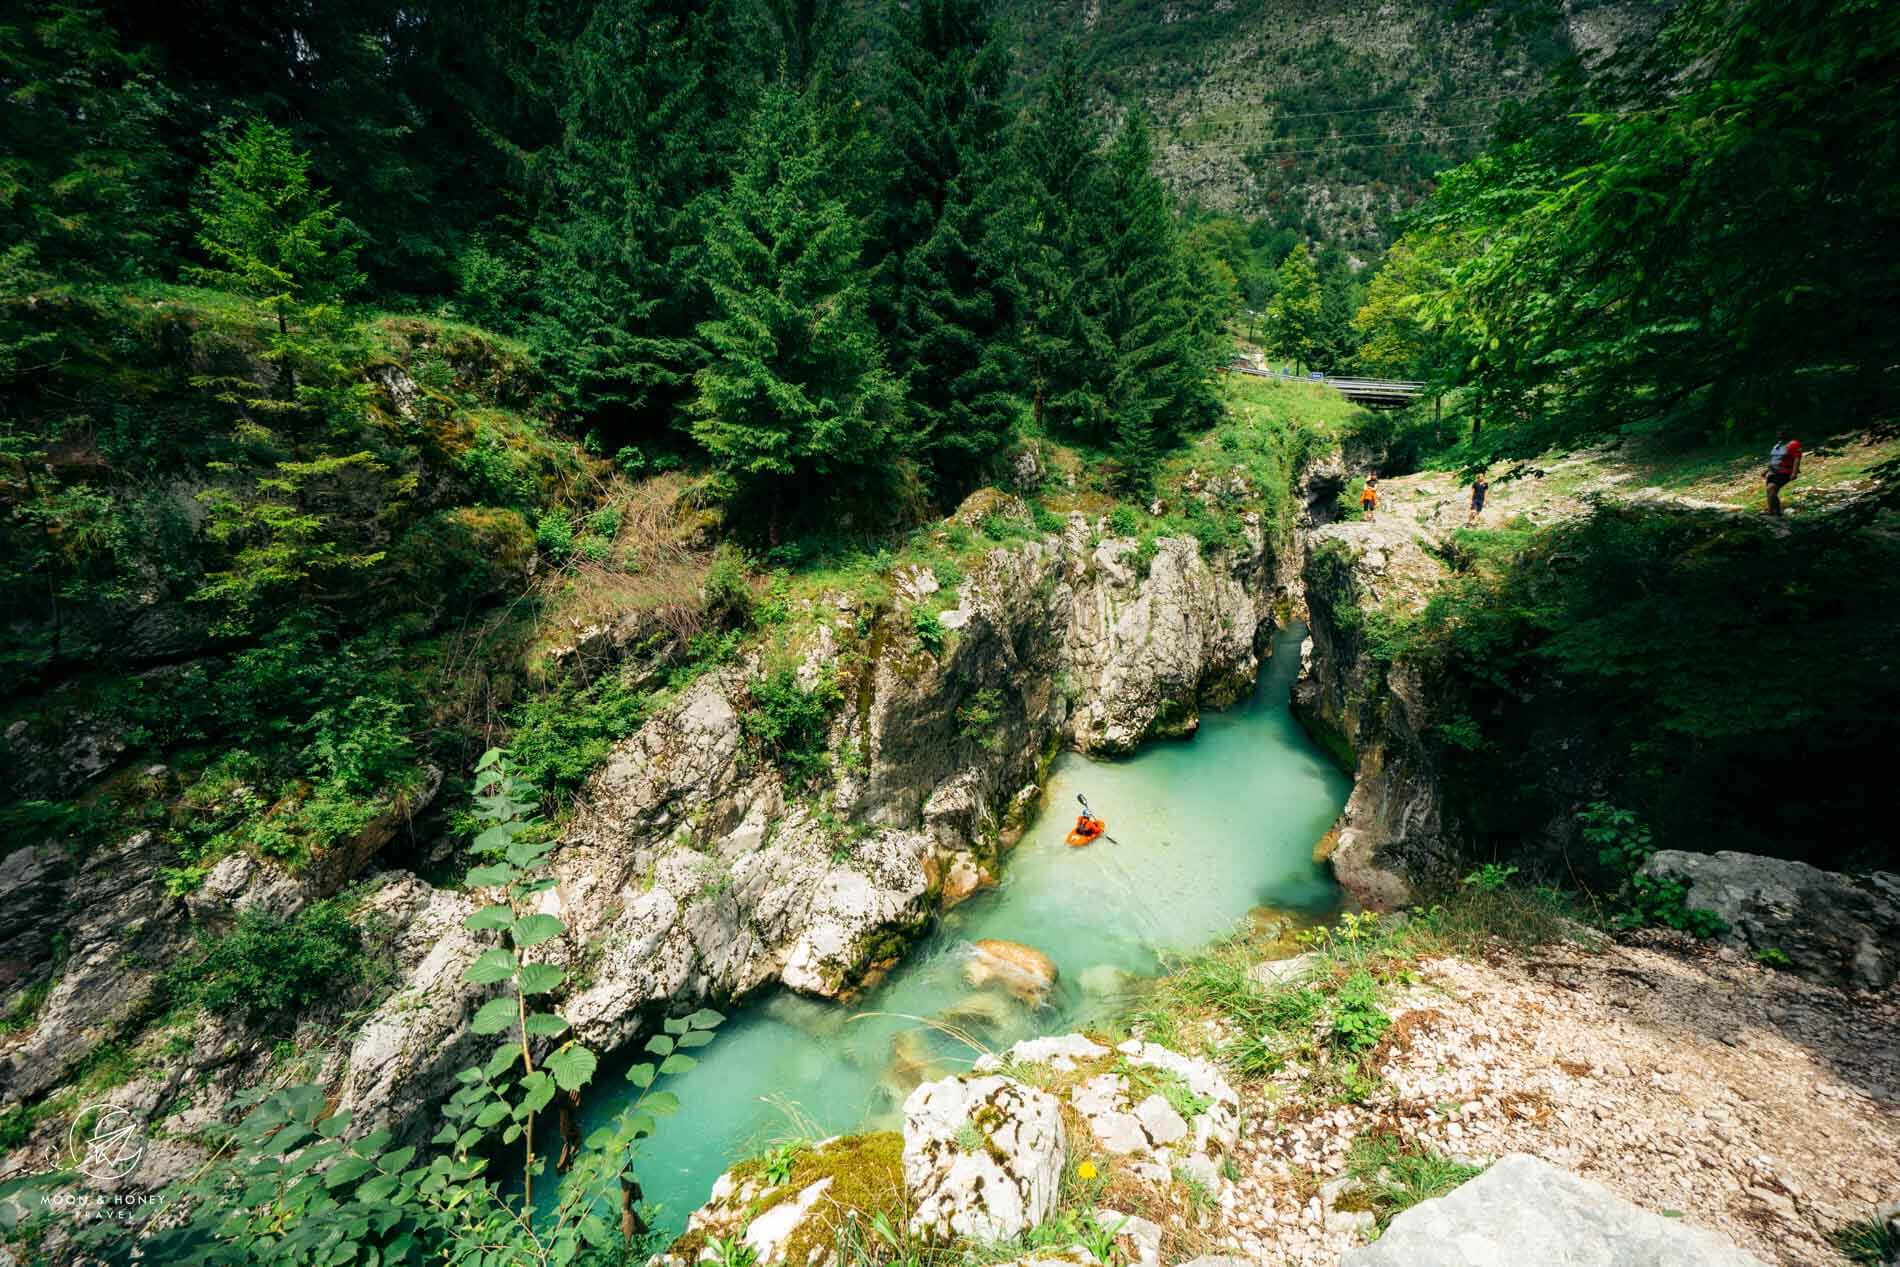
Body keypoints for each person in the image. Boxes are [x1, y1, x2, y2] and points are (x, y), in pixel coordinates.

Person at [1764, 434, 1802, 516]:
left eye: (1782, 433)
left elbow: (1797, 458)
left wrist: (1794, 472)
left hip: (1785, 471)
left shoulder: (1794, 444)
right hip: (1773, 472)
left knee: (1771, 488)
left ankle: (1777, 512)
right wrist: (1766, 470)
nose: (1779, 434)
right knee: (1770, 491)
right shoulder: (1778, 445)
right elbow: (1774, 459)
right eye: (1778, 433)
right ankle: (1772, 511)